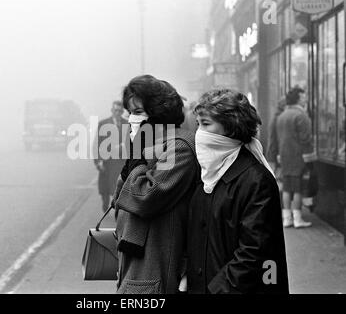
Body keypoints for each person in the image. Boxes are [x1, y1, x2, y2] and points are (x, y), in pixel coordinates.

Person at [187, 89, 289, 294]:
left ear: (231, 128)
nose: (199, 133)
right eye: (198, 124)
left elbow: (254, 253)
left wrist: (214, 290)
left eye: (206, 124)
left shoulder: (255, 180)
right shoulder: (205, 173)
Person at [112, 75, 199, 294]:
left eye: (139, 112)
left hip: (154, 267)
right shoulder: (151, 143)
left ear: (159, 113)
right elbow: (119, 201)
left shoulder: (180, 147)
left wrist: (136, 155)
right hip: (135, 262)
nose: (132, 118)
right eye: (130, 112)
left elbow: (144, 198)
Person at [276, 87, 315, 228]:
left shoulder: (282, 116)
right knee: (298, 188)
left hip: (285, 157)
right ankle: (297, 219)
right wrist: (310, 159)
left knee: (287, 188)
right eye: (303, 97)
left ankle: (287, 218)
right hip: (299, 157)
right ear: (298, 99)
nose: (306, 99)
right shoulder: (301, 116)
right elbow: (306, 139)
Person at [93, 101, 128, 212]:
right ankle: (105, 202)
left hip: (121, 160)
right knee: (105, 186)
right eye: (115, 110)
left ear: (122, 112)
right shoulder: (103, 124)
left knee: (118, 184)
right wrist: (98, 161)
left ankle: (118, 207)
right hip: (107, 160)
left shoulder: (127, 124)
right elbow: (98, 143)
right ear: (112, 111)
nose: (117, 113)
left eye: (119, 111)